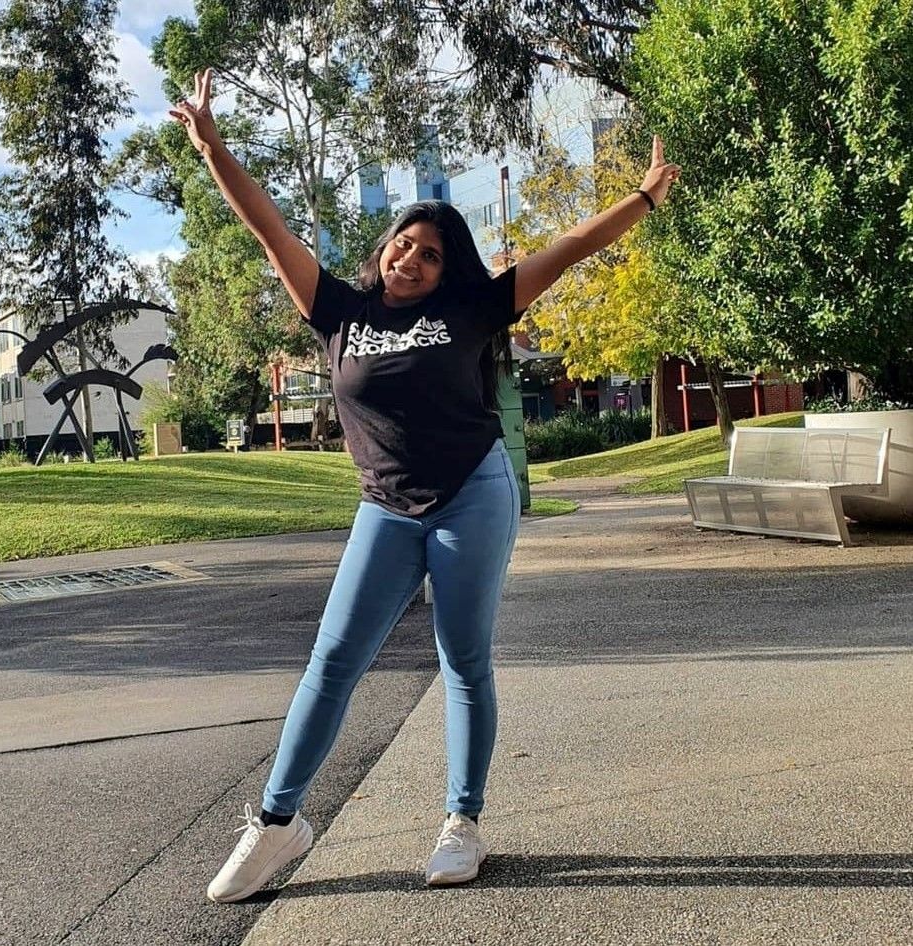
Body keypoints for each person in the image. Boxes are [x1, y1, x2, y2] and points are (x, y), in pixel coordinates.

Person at [170, 69, 680, 904]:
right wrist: (216, 151)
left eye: (431, 252)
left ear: (450, 271)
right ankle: (276, 821)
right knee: (332, 660)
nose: (412, 257)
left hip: (471, 493)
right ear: (387, 247)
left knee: (464, 659)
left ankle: (462, 822)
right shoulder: (339, 310)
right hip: (385, 505)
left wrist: (643, 199)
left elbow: (573, 247)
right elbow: (269, 231)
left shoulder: (478, 307)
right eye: (405, 242)